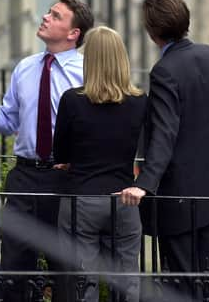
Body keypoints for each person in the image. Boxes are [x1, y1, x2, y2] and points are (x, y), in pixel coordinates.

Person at [0, 0, 94, 302]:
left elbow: (99, 129)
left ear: (73, 34)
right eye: (48, 11)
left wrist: (82, 163)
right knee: (13, 267)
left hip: (65, 180)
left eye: (56, 16)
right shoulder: (26, 68)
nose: (45, 17)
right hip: (24, 177)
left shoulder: (88, 73)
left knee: (65, 269)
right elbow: (7, 119)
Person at [117, 0, 209, 302]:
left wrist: (144, 183)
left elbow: (164, 133)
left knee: (183, 280)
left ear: (152, 32)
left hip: (179, 194)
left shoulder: (165, 71)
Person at [53, 26, 147, 302]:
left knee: (83, 281)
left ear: (90, 60)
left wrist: (72, 161)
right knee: (128, 279)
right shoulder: (140, 101)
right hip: (124, 199)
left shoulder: (72, 100)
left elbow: (60, 153)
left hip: (82, 197)